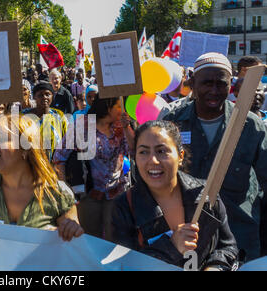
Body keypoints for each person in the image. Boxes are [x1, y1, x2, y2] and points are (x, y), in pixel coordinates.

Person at [162, 52, 267, 262]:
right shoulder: (173, 123)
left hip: (240, 238)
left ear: (231, 85)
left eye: (221, 84)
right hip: (188, 238)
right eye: (206, 83)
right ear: (192, 83)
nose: (214, 91)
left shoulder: (250, 126)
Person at [110, 120, 239, 270]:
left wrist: (214, 267)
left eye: (161, 151)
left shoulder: (205, 194)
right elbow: (124, 266)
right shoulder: (124, 206)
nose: (153, 160)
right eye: (143, 152)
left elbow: (228, 247)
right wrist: (172, 247)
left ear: (180, 156)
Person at [0, 113, 84, 241]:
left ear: (26, 147)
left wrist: (71, 229)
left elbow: (71, 246)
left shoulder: (58, 194)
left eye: (0, 139)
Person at [53, 96, 134, 241]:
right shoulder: (82, 125)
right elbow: (59, 157)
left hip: (117, 193)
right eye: (118, 106)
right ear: (108, 107)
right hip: (89, 195)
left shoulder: (120, 127)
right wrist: (64, 189)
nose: (123, 110)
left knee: (114, 238)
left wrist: (127, 127)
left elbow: (134, 151)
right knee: (91, 239)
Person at [22, 81, 68, 162]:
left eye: (47, 94)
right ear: (34, 97)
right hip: (31, 164)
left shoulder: (59, 116)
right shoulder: (23, 116)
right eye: (40, 95)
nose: (44, 97)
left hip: (55, 166)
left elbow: (67, 140)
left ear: (52, 96)